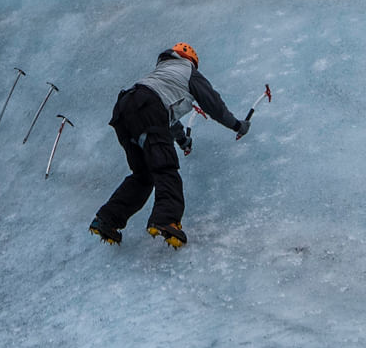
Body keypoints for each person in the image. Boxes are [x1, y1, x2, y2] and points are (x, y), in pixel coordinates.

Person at [89, 42, 249, 249]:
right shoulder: (188, 70)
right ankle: (165, 220)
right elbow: (213, 103)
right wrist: (237, 125)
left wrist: (182, 140)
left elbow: (164, 116)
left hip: (124, 110)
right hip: (148, 108)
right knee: (166, 169)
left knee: (144, 176)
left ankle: (106, 220)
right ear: (190, 58)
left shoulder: (161, 73)